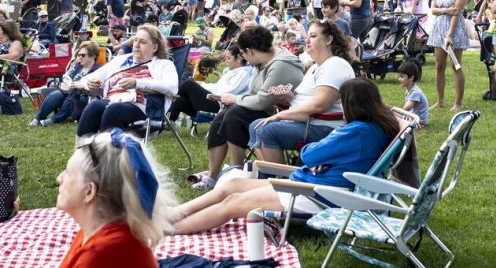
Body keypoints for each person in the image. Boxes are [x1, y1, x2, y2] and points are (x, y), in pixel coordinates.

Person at [164, 78, 400, 235]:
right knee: (233, 184)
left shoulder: (356, 131)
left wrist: (321, 156)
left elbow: (308, 154)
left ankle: (169, 230)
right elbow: (328, 158)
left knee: (232, 202)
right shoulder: (374, 128)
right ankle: (175, 214)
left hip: (318, 194)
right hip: (315, 183)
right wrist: (326, 159)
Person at [0, 130, 174, 268]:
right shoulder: (103, 234)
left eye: (68, 172)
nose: (59, 177)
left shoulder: (103, 254)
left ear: (89, 191)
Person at [198, 26, 303, 187]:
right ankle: (212, 174)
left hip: (284, 116)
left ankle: (237, 170)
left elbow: (262, 100)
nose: (245, 59)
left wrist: (235, 98)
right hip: (266, 111)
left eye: (243, 54)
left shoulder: (281, 65)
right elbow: (253, 94)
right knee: (224, 115)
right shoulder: (261, 62)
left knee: (234, 114)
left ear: (250, 51)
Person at [249, 20, 356, 162]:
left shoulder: (334, 65)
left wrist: (281, 116)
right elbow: (309, 99)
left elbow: (320, 105)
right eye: (307, 36)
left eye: (312, 36)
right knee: (255, 126)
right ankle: (268, 175)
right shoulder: (315, 67)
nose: (307, 40)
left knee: (266, 130)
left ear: (328, 39)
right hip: (308, 123)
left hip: (326, 128)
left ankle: (280, 179)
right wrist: (289, 97)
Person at [74, 25, 179, 141]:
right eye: (135, 40)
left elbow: (172, 87)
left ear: (154, 47)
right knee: (93, 106)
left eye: (143, 42)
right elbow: (88, 78)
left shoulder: (164, 64)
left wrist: (137, 83)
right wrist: (88, 83)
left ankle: (109, 154)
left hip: (144, 108)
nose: (137, 45)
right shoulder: (121, 60)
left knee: (114, 110)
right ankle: (81, 152)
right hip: (113, 100)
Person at [167, 44, 254, 136]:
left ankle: (166, 99)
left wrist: (202, 86)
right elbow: (217, 86)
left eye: (228, 58)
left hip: (220, 106)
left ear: (239, 59)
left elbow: (225, 91)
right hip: (214, 101)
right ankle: (168, 122)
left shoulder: (243, 74)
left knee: (188, 84)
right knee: (181, 100)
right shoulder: (233, 72)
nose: (226, 61)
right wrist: (202, 85)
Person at [428, 0, 472, 111]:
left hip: (454, 28)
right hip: (439, 27)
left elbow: (456, 13)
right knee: (439, 66)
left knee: (456, 65)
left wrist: (450, 34)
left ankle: (458, 102)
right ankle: (440, 101)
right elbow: (433, 10)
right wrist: (445, 10)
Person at [31, 41, 102, 127]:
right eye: (78, 55)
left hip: (84, 96)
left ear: (93, 56)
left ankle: (53, 120)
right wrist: (69, 83)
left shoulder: (98, 70)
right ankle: (38, 119)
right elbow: (66, 76)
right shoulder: (77, 65)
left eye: (83, 55)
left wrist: (77, 86)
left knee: (73, 93)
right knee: (56, 95)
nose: (80, 58)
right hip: (68, 91)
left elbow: (95, 86)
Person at [397, 60, 428, 127]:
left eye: (402, 77)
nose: (399, 79)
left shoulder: (415, 92)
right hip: (412, 117)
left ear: (411, 77)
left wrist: (396, 114)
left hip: (419, 122)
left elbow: (406, 108)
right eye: (399, 76)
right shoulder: (409, 89)